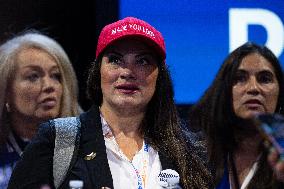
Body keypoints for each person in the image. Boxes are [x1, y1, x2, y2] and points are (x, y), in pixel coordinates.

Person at [8, 17, 212, 189]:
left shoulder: (189, 152)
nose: (127, 72)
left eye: (143, 61)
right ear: (98, 73)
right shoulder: (56, 141)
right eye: (115, 59)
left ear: (160, 77)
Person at [189, 42, 284, 189]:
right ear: (224, 90)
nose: (253, 88)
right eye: (240, 78)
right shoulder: (194, 156)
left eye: (265, 79)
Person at [0, 31, 82, 188]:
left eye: (56, 76)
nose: (49, 86)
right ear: (6, 90)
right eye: (33, 76)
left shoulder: (91, 145)